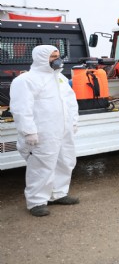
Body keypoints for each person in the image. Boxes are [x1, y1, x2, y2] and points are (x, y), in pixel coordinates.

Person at [9, 45, 80, 217]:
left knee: (65, 161)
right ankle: (36, 201)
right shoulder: (26, 80)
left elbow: (70, 102)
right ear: (40, 58)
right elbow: (21, 108)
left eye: (57, 55)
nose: (57, 59)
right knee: (42, 166)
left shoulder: (60, 78)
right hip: (43, 133)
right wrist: (28, 132)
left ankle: (58, 193)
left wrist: (73, 122)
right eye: (52, 56)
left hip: (63, 131)